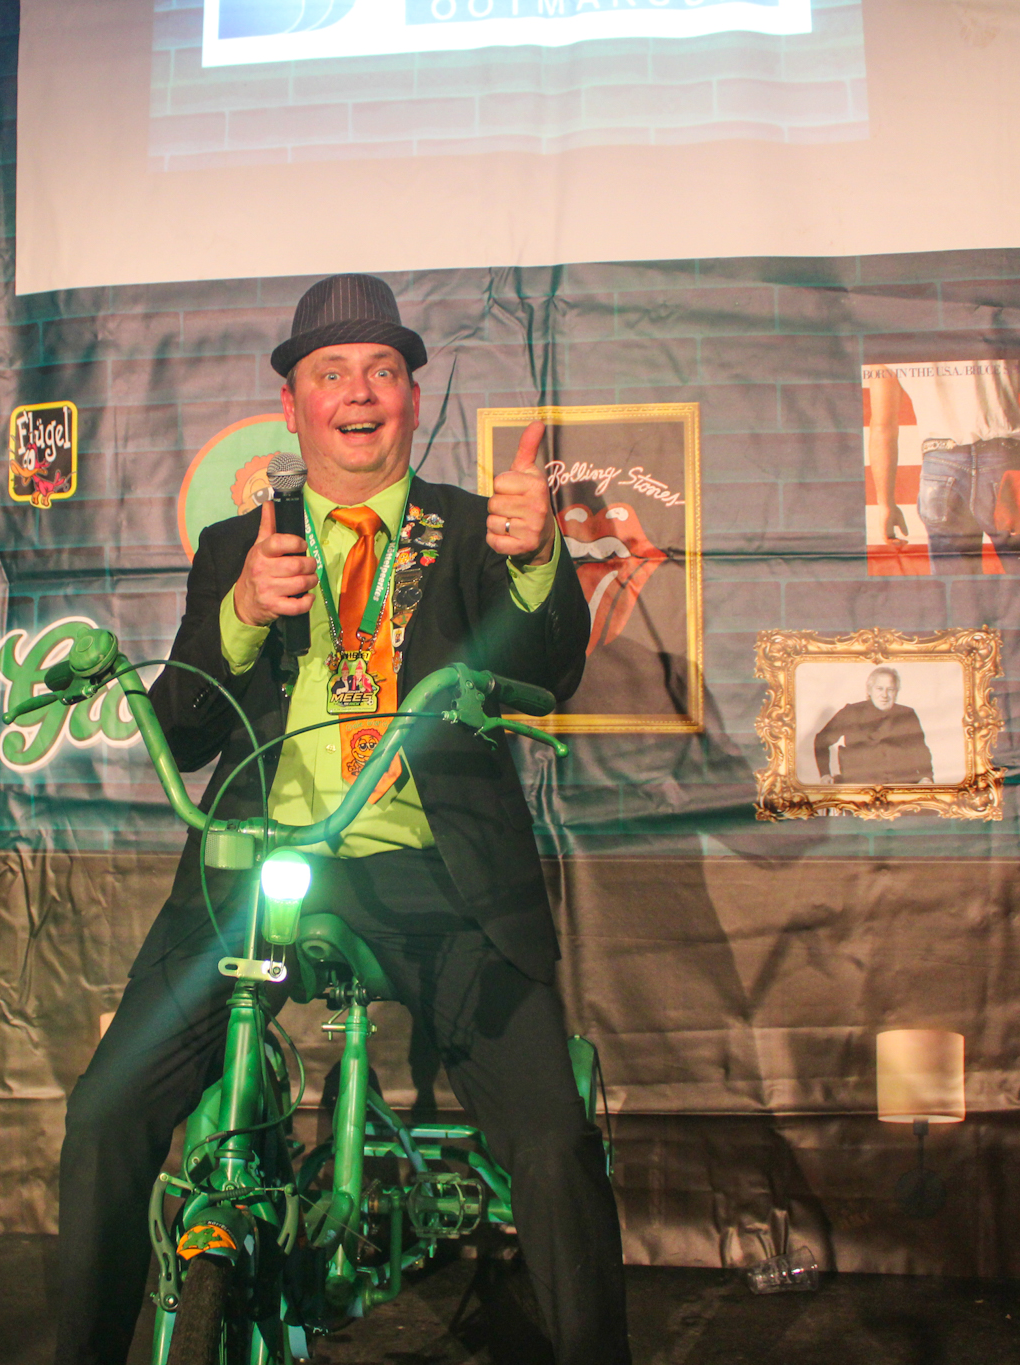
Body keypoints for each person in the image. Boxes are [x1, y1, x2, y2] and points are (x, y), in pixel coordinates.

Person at [53, 274, 630, 1365]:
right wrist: (236, 615)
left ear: (412, 398)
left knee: (553, 1141)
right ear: (293, 405)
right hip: (252, 870)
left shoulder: (477, 530)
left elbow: (548, 673)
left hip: (434, 872)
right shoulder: (236, 542)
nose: (357, 393)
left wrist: (536, 561)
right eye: (331, 373)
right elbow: (182, 733)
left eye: (382, 371)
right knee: (104, 1115)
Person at [866, 357, 1020, 574]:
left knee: (956, 588)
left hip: (939, 472)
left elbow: (883, 426)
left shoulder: (886, 345)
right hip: (1004, 461)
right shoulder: (1015, 335)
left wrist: (885, 503)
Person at [811, 666, 935, 785]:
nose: (884, 695)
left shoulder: (907, 714)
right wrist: (825, 774)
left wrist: (926, 777)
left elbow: (921, 750)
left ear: (896, 692)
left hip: (900, 786)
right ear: (869, 690)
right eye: (879, 689)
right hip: (858, 787)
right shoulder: (851, 712)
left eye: (890, 689)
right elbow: (821, 740)